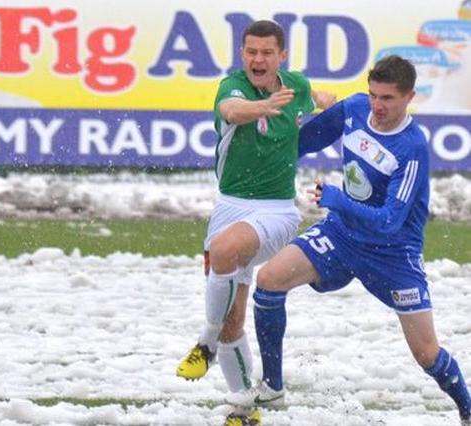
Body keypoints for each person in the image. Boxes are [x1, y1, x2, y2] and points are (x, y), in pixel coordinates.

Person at [227, 55, 471, 425]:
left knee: (426, 353)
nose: (377, 105)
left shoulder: (412, 148)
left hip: (392, 253)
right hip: (341, 233)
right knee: (269, 280)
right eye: (374, 94)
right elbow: (302, 141)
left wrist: (339, 199)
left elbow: (389, 222)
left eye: (388, 98)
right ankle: (272, 386)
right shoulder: (356, 108)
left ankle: (468, 410)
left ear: (409, 97)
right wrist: (257, 152)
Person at [174, 20, 335, 426]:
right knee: (233, 319)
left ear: (282, 55)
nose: (258, 59)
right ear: (242, 53)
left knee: (224, 251)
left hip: (276, 212)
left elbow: (316, 96)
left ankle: (204, 345)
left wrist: (327, 100)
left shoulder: (295, 85)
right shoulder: (232, 88)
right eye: (251, 52)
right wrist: (263, 106)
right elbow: (232, 111)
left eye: (266, 52)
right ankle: (244, 407)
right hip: (228, 208)